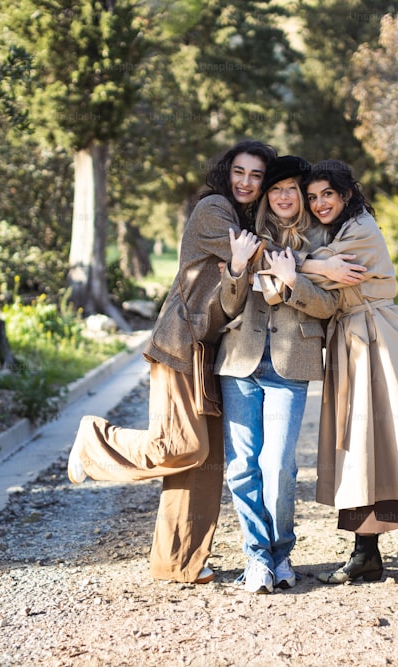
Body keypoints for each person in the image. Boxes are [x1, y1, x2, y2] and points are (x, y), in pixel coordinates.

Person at [67, 140, 277, 584]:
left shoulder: (244, 220)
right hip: (180, 345)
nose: (246, 182)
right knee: (182, 446)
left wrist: (243, 269)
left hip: (213, 352)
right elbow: (260, 258)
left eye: (257, 176)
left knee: (206, 463)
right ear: (227, 172)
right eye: (240, 171)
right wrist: (318, 264)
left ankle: (179, 562)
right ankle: (94, 441)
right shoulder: (214, 210)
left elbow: (235, 290)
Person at [263, 159, 398, 590]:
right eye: (312, 197)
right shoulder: (329, 233)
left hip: (381, 336)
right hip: (347, 339)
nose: (319, 203)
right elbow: (304, 267)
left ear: (345, 195)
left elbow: (291, 264)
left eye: (328, 194)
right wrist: (319, 268)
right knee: (354, 443)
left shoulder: (361, 228)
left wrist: (308, 266)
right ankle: (366, 553)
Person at [216, 156, 338, 594]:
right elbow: (227, 306)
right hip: (240, 362)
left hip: (291, 363)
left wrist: (294, 280)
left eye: (291, 189)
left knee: (279, 464)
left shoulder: (324, 238)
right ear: (267, 196)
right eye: (276, 189)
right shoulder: (247, 236)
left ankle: (282, 552)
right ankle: (257, 559)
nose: (284, 196)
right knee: (242, 467)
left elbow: (330, 307)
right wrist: (235, 267)